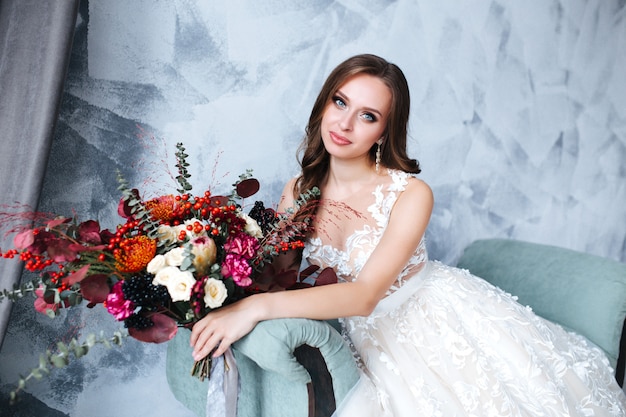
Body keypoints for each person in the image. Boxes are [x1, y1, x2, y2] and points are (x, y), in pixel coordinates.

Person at [190, 54, 626, 416]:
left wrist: (256, 308)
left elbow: (364, 296)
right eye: (340, 102)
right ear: (323, 104)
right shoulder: (298, 190)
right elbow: (279, 270)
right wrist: (215, 286)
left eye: (368, 115)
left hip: (435, 322)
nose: (345, 123)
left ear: (383, 131)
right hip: (363, 337)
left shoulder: (411, 193)